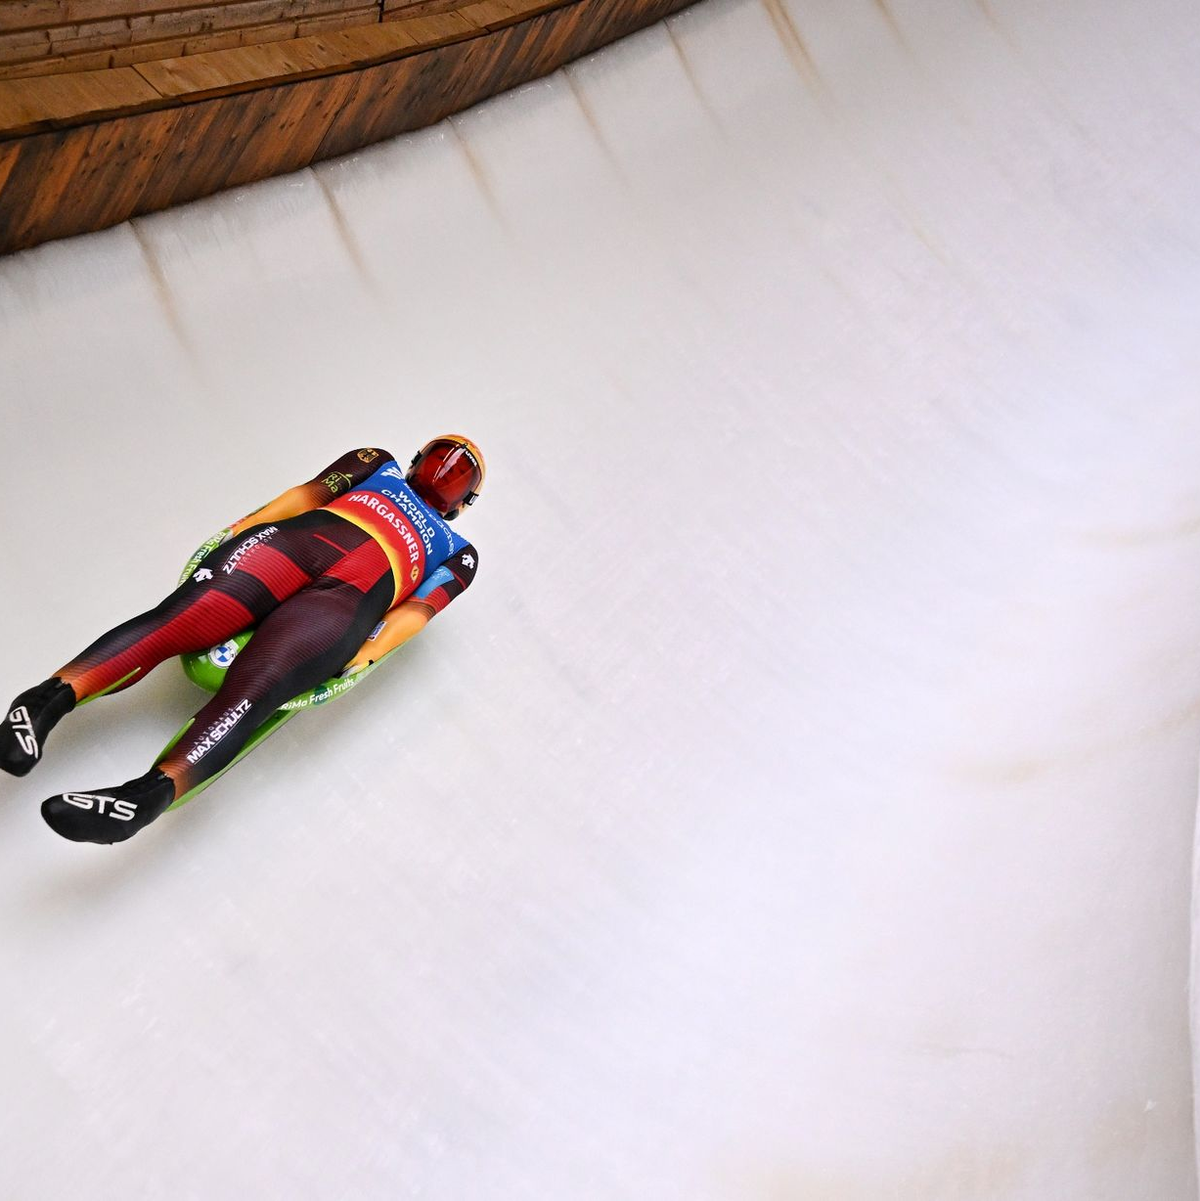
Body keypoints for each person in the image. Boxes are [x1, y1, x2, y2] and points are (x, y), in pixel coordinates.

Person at [0, 438, 483, 845]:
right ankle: (42, 704)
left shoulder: (460, 555)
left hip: (345, 601)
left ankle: (146, 796)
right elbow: (305, 496)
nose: (447, 471)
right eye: (443, 456)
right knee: (176, 620)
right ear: (417, 457)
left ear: (465, 502)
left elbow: (414, 615)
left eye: (461, 473)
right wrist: (239, 529)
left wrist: (367, 655)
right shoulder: (377, 463)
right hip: (294, 545)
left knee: (259, 689)